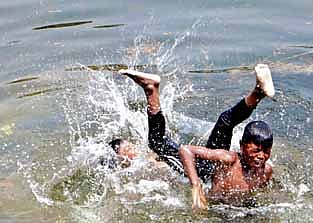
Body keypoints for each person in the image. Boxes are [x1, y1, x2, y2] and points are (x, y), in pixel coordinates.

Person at [115, 64, 275, 210]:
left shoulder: (265, 170)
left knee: (224, 123)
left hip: (206, 169)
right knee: (158, 144)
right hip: (203, 172)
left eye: (265, 151)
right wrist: (196, 185)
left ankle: (258, 93)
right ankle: (151, 90)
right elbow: (185, 152)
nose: (261, 156)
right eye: (256, 150)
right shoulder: (229, 159)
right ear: (242, 145)